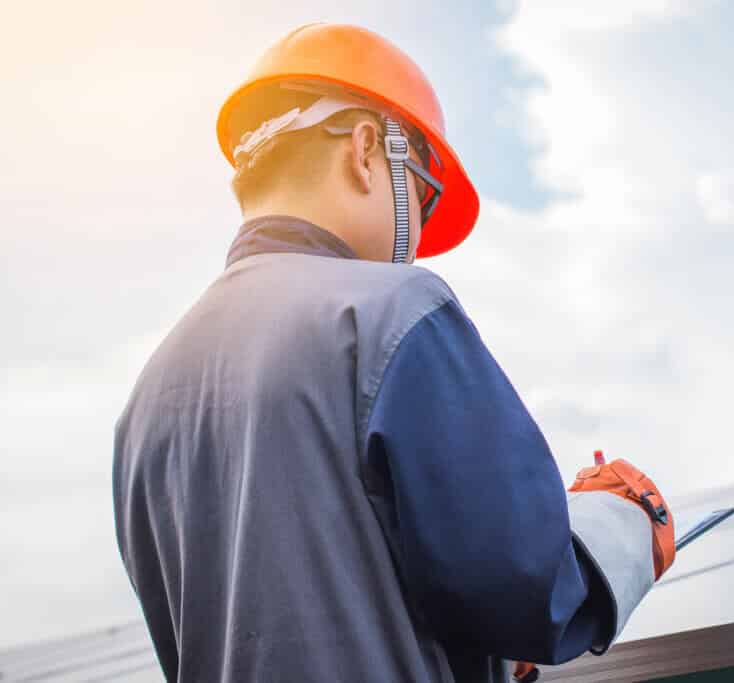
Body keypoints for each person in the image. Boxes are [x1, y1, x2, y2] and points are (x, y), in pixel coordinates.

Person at [112, 23, 677, 682]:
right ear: (364, 149)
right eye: (422, 190)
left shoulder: (147, 400)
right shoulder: (392, 312)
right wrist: (629, 518)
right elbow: (528, 589)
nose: (420, 223)